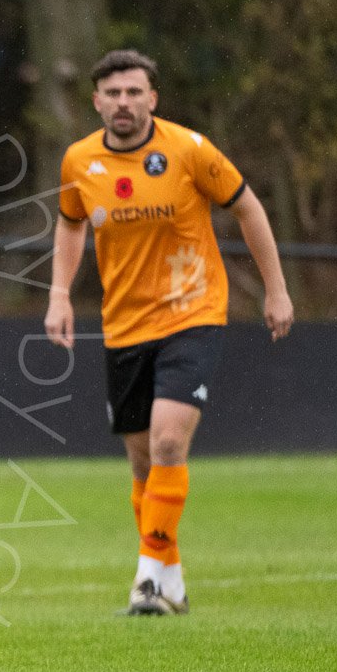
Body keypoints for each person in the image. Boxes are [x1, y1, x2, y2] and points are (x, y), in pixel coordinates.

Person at [45, 50, 294, 616]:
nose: (124, 103)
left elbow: (248, 208)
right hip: (124, 325)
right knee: (142, 463)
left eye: (135, 92)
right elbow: (69, 222)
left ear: (153, 98)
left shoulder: (189, 150)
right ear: (97, 102)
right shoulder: (79, 160)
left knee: (166, 442)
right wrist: (59, 295)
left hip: (193, 313)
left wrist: (275, 289)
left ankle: (147, 581)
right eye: (113, 94)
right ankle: (172, 580)